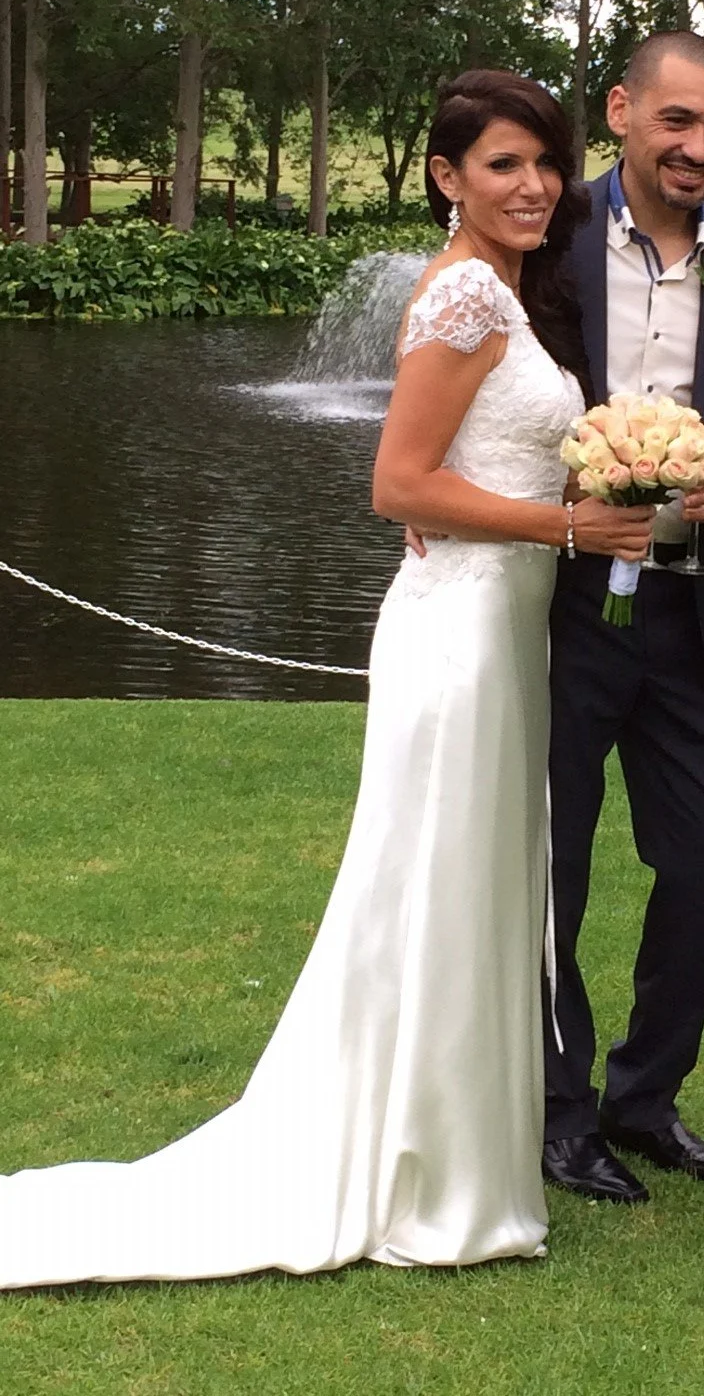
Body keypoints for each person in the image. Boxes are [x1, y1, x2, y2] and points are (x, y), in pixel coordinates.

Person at [0, 71, 652, 1287]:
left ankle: (456, 1158)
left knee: (459, 890)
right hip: (458, 637)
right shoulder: (463, 290)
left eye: (545, 163)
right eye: (502, 164)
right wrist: (569, 530)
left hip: (504, 634)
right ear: (448, 177)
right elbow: (398, 485)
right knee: (436, 886)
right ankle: (434, 1185)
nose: (532, 185)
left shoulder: (509, 291)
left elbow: (475, 462)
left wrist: (606, 484)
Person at [542, 32, 704, 1204]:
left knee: (701, 867)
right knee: (552, 871)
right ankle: (557, 1109)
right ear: (621, 113)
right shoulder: (549, 231)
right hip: (556, 612)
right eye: (677, 122)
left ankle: (646, 1099)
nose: (699, 148)